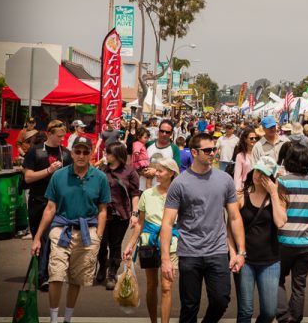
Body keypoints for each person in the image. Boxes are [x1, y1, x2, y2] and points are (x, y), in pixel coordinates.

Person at [159, 133, 246, 323]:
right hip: (189, 252)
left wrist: (240, 252)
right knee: (189, 306)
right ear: (194, 152)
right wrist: (166, 259)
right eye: (207, 150)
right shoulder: (179, 183)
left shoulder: (225, 179)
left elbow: (234, 217)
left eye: (214, 149)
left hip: (217, 250)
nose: (212, 153)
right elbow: (167, 223)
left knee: (221, 300)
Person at [31, 136, 110, 323]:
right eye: (78, 151)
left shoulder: (100, 178)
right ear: (71, 153)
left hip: (87, 232)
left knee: (76, 278)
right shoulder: (59, 176)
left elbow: (103, 211)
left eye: (85, 152)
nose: (81, 155)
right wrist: (37, 238)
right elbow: (50, 208)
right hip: (61, 229)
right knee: (56, 275)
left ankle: (67, 318)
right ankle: (53, 319)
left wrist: (98, 235)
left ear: (91, 154)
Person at [229, 156, 288, 323]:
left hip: (270, 261)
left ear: (271, 178)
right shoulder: (240, 195)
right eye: (257, 170)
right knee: (245, 311)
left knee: (269, 311)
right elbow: (229, 229)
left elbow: (280, 222)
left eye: (264, 173)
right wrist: (233, 253)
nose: (257, 175)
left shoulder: (278, 197)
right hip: (245, 259)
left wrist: (274, 193)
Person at [123, 158, 181, 323]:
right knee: (151, 285)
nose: (157, 173)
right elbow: (140, 223)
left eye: (161, 171)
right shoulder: (147, 194)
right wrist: (129, 245)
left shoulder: (179, 193)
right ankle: (153, 321)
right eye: (157, 170)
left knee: (166, 287)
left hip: (171, 243)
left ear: (171, 173)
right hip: (148, 243)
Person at [22, 119, 72, 290]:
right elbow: (28, 177)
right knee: (39, 239)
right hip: (38, 201)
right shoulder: (35, 152)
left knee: (51, 238)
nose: (62, 139)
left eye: (63, 136)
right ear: (49, 134)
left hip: (57, 204)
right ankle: (41, 272)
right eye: (59, 136)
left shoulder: (66, 154)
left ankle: (45, 275)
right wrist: (49, 170)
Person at [276, 142, 308, 323]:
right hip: (307, 241)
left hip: (285, 238)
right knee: (299, 283)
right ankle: (295, 318)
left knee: (278, 279)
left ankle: (282, 316)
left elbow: (280, 211)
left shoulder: (283, 181)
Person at [95, 142, 140, 290]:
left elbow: (134, 195)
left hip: (121, 215)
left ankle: (112, 273)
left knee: (115, 245)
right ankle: (102, 266)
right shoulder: (102, 169)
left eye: (108, 153)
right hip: (102, 214)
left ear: (117, 155)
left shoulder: (130, 172)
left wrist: (134, 214)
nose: (105, 156)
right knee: (100, 244)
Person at [143, 119, 181, 189]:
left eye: (167, 132)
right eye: (162, 131)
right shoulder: (148, 145)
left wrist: (155, 171)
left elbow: (175, 171)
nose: (164, 134)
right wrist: (144, 172)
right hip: (142, 189)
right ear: (158, 131)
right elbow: (136, 164)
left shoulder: (174, 149)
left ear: (171, 133)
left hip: (162, 192)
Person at [233, 127, 257, 191]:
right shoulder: (240, 156)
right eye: (251, 138)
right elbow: (237, 176)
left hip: (258, 188)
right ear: (245, 139)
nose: (254, 140)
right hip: (246, 187)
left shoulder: (259, 154)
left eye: (255, 138)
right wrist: (237, 189)